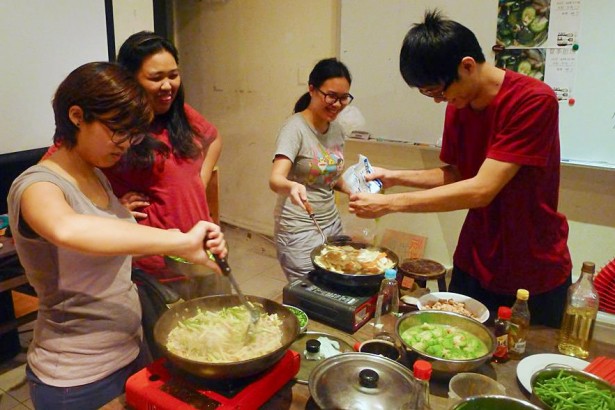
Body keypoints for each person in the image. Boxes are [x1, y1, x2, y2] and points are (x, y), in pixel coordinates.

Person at [8, 62, 227, 410]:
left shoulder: (98, 176)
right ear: (77, 116)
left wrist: (193, 253)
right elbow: (68, 229)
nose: (125, 145)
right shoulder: (36, 185)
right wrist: (179, 239)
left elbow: (112, 254)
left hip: (129, 352)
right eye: (117, 131)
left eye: (132, 134)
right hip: (77, 377)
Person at [348, 10, 571, 327]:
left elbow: (481, 189)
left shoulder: (533, 101)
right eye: (428, 94)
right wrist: (394, 177)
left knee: (518, 360)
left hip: (530, 266)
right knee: (452, 345)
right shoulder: (459, 104)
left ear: (467, 66)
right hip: (474, 258)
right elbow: (457, 175)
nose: (439, 101)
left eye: (437, 91)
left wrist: (389, 203)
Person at [44, 31, 226, 299]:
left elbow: (214, 138)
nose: (167, 85)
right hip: (152, 263)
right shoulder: (45, 177)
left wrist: (199, 182)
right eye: (155, 78)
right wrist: (108, 208)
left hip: (198, 252)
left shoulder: (181, 114)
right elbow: (56, 180)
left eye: (173, 75)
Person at [269, 58, 353, 283]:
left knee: (335, 285)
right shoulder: (294, 128)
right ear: (312, 89)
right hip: (298, 228)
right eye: (331, 96)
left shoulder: (336, 129)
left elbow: (329, 177)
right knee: (308, 291)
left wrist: (356, 189)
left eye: (343, 98)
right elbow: (276, 179)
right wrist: (292, 185)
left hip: (331, 222)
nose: (337, 104)